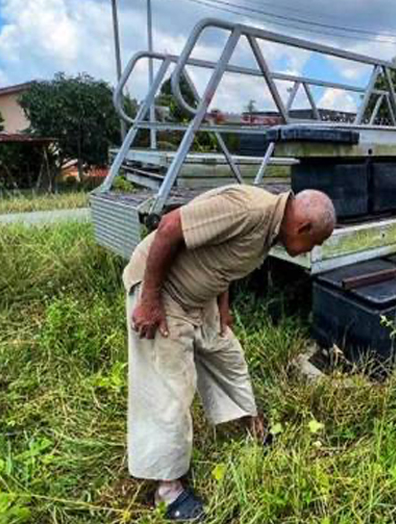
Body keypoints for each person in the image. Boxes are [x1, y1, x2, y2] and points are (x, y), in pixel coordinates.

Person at [122, 185, 336, 521]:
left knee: (228, 355)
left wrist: (223, 307)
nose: (313, 250)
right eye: (316, 242)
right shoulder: (250, 210)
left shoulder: (271, 228)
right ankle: (167, 489)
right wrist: (149, 299)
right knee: (170, 387)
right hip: (164, 292)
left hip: (199, 296)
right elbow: (168, 227)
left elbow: (223, 260)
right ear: (303, 228)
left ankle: (254, 428)